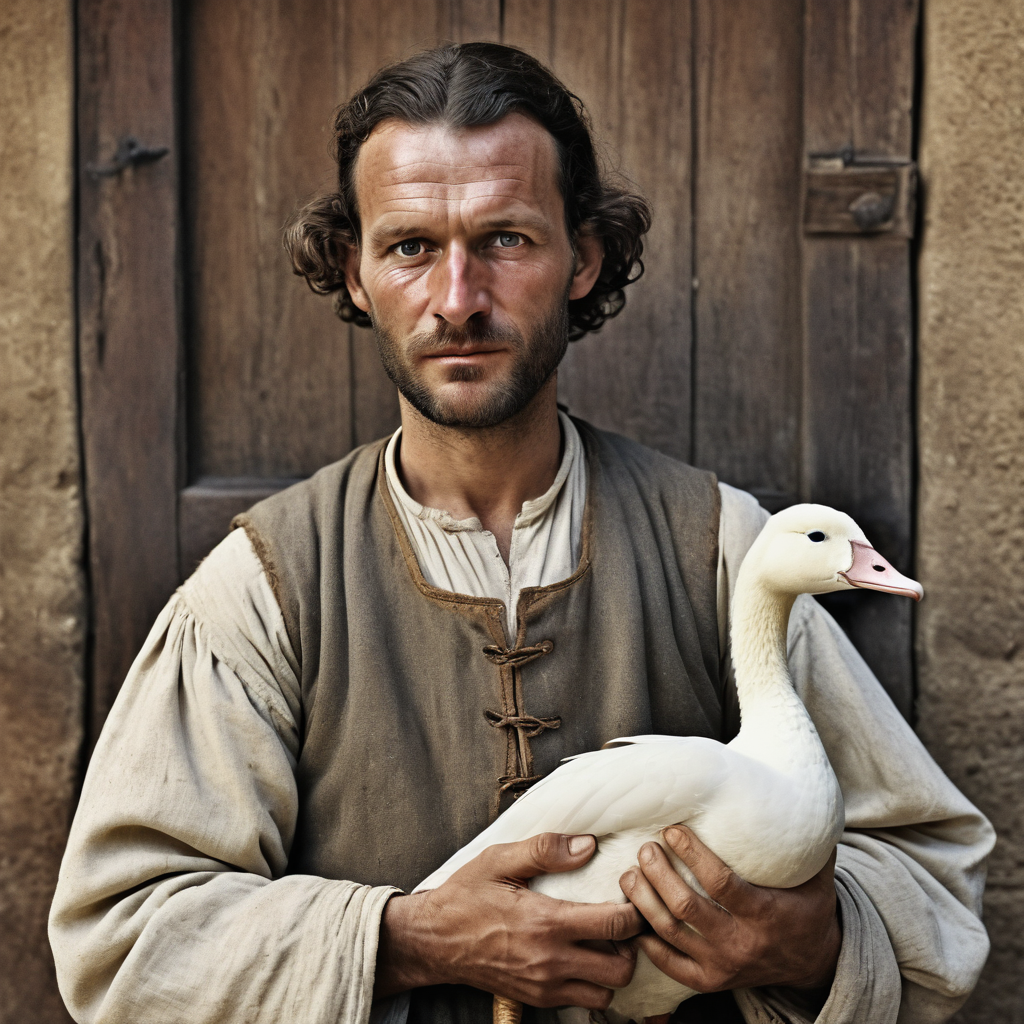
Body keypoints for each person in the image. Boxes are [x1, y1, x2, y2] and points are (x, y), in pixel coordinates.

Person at [49, 42, 993, 1024]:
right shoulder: (264, 586)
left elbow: (930, 874)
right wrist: (404, 938)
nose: (457, 300)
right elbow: (125, 942)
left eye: (504, 239)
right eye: (411, 246)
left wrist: (812, 940)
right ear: (357, 271)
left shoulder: (720, 548)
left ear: (582, 258)